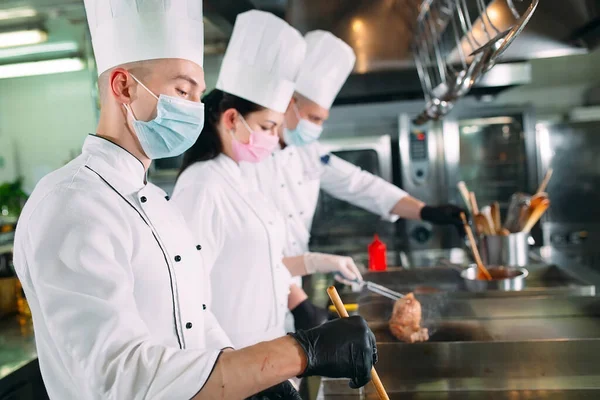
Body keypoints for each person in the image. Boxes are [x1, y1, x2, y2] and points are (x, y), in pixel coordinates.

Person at [12, 3, 377, 399]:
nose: (193, 109)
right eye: (182, 91)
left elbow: (197, 320)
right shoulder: (71, 205)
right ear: (123, 86)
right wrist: (298, 353)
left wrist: (253, 380)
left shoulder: (155, 201)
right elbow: (119, 377)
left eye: (197, 95)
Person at [242, 30, 467, 330]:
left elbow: (361, 184)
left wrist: (425, 211)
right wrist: (299, 302)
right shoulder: (249, 160)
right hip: (256, 290)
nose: (317, 127)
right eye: (315, 117)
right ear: (289, 104)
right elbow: (251, 247)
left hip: (291, 287)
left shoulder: (306, 151)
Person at [172, 10, 362, 354]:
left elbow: (259, 263)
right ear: (232, 119)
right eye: (267, 127)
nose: (274, 139)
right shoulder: (202, 187)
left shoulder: (241, 178)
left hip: (268, 353)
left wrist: (317, 262)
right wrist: (229, 366)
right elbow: (185, 298)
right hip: (235, 363)